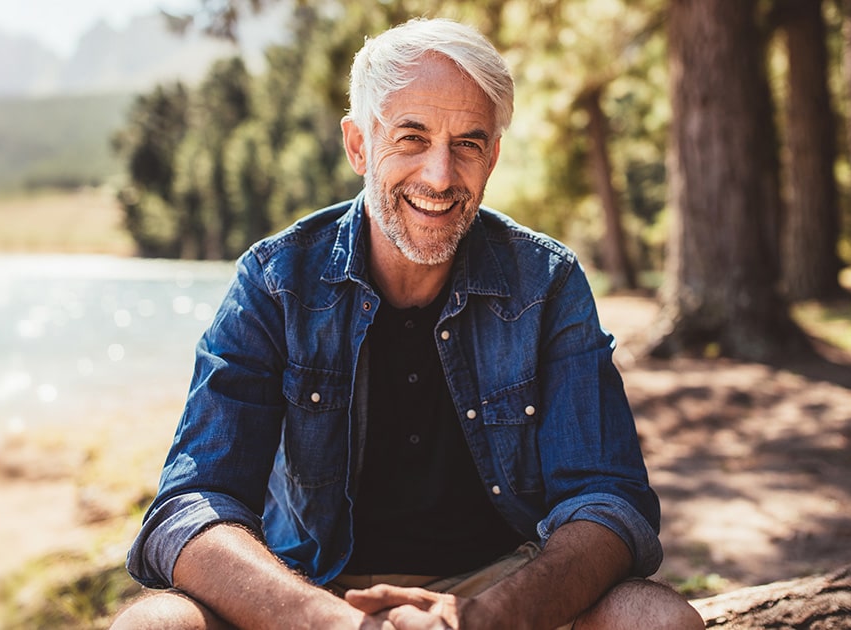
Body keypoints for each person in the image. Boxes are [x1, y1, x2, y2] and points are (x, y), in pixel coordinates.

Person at [112, 17, 704, 630]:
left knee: (655, 619)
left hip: (501, 587)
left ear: (493, 155)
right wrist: (332, 622)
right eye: (412, 138)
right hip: (307, 589)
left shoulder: (546, 283)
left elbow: (608, 501)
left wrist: (484, 617)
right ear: (359, 144)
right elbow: (191, 504)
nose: (440, 176)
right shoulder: (275, 281)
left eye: (468, 143)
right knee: (152, 626)